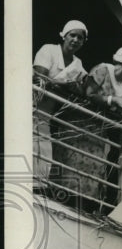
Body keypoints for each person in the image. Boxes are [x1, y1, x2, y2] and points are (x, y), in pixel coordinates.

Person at [52, 45, 122, 212]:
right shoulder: (103, 69)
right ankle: (61, 200)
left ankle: (82, 206)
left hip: (98, 132)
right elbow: (89, 94)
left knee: (92, 171)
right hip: (79, 125)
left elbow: (112, 109)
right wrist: (113, 100)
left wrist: (121, 110)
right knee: (72, 163)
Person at [33, 20, 89, 188]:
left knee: (43, 152)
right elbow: (39, 78)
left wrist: (72, 89)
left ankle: (37, 187)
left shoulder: (78, 65)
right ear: (64, 35)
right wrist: (66, 87)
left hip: (45, 113)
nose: (76, 40)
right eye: (73, 35)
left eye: (80, 37)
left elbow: (83, 90)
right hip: (29, 105)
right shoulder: (49, 50)